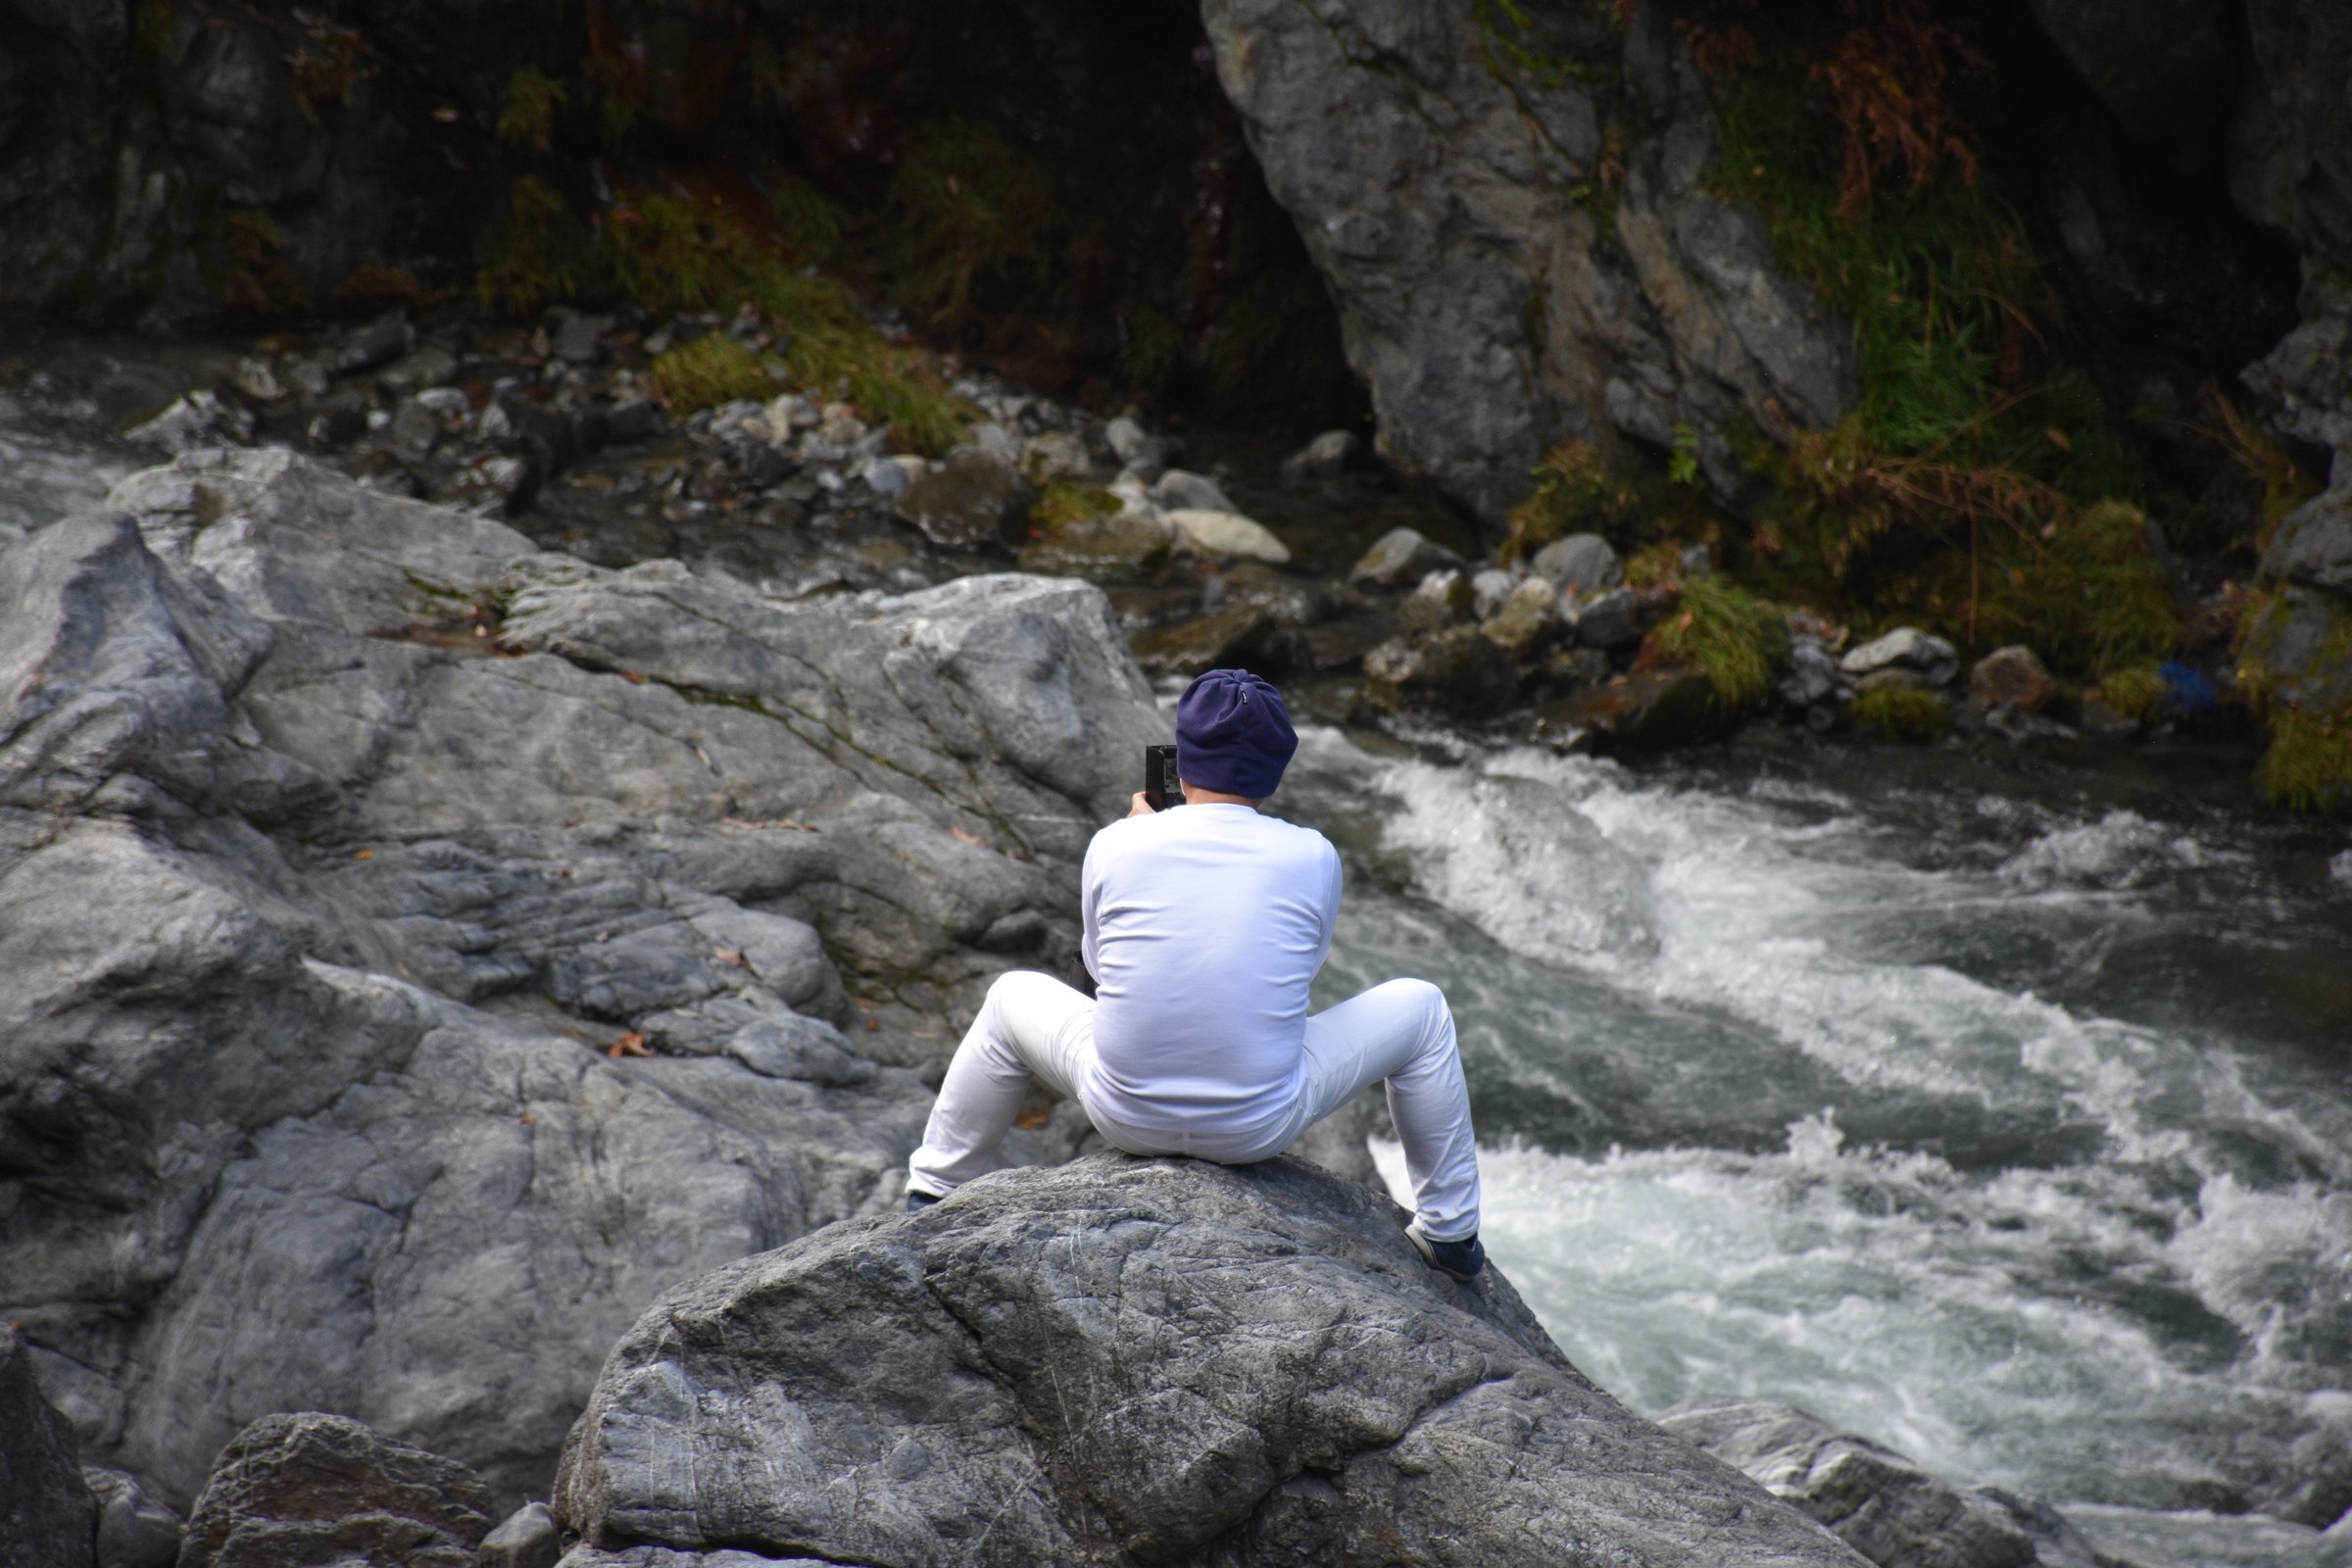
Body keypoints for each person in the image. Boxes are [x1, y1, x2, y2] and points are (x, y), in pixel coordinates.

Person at [905, 667, 1486, 1279]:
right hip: (1256, 1126)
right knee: (1423, 1007)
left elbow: (1100, 968)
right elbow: (1303, 971)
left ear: (1181, 760)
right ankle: (1449, 1231)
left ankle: (933, 1192)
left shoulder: (1115, 843)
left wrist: (1139, 839)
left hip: (1123, 1111)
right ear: (1277, 768)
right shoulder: (1314, 854)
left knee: (1009, 995)